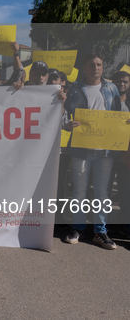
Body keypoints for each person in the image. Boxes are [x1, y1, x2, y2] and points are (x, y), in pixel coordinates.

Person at [63, 53, 121, 249]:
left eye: (99, 64)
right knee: (79, 190)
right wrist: (67, 124)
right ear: (84, 68)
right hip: (81, 149)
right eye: (92, 65)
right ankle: (77, 228)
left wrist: (125, 123)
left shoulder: (111, 88)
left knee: (102, 192)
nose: (96, 68)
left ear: (102, 67)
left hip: (105, 150)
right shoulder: (75, 89)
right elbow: (63, 114)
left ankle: (100, 232)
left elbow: (118, 115)